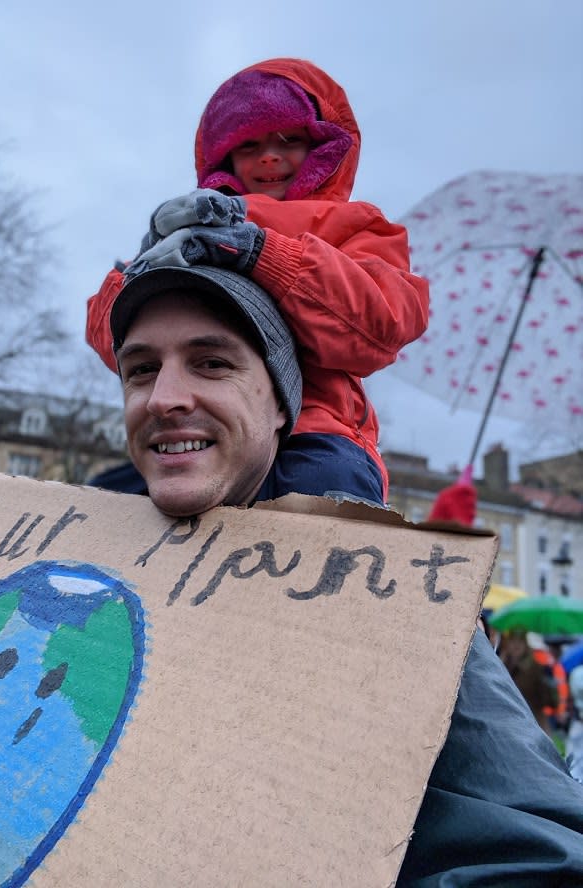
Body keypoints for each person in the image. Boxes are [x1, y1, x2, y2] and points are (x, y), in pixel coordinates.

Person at [102, 261, 583, 886]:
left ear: (280, 405)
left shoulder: (396, 598)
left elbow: (543, 860)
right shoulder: (66, 575)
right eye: (141, 369)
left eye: (212, 363)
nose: (164, 397)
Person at [86, 57, 430, 506]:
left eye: (289, 139)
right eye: (249, 145)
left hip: (315, 428)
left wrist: (265, 254)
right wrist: (145, 260)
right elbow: (113, 335)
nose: (269, 156)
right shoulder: (194, 225)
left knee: (328, 501)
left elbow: (381, 321)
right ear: (225, 156)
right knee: (105, 505)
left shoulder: (356, 227)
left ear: (323, 146)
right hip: (202, 432)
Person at [499, 630, 559, 735]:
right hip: (508, 726)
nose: (516, 645)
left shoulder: (535, 667)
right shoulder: (499, 666)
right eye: (512, 641)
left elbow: (551, 702)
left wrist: (548, 681)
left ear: (526, 644)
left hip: (534, 726)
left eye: (520, 641)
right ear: (507, 643)